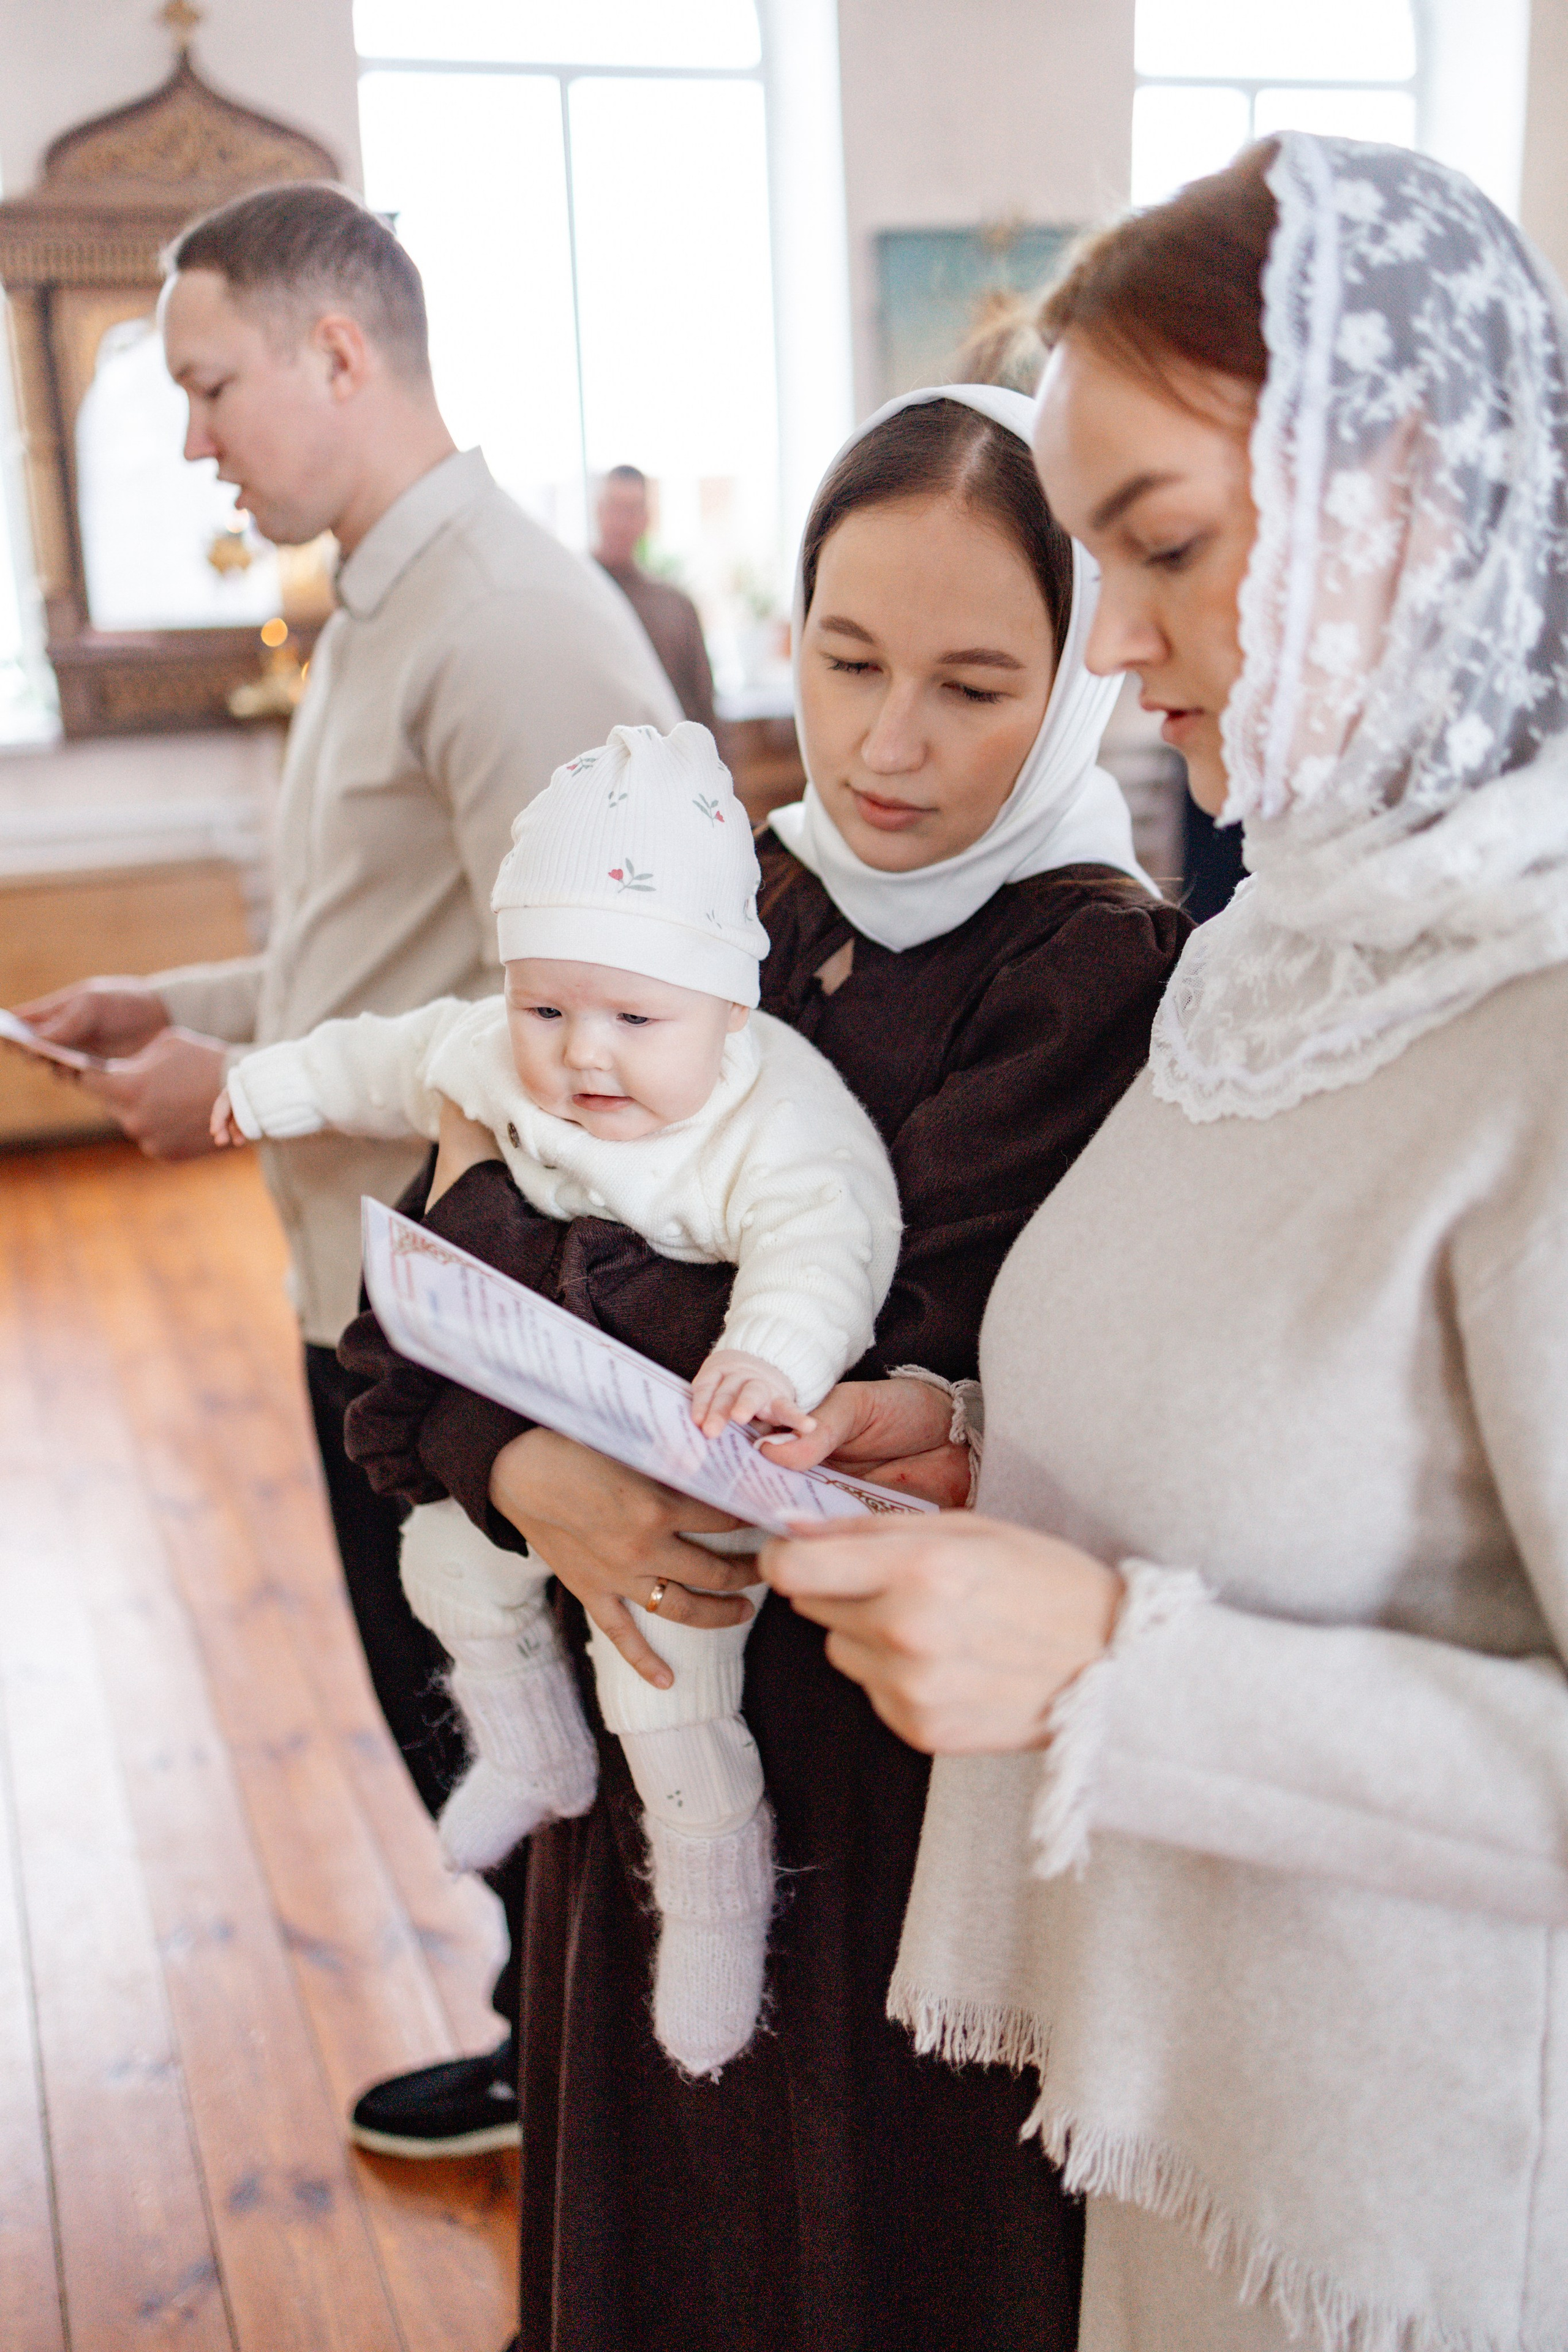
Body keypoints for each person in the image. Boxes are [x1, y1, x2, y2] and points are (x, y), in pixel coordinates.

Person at [764, 137, 1568, 2352]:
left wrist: (1116, 1670)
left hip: (1427, 2229)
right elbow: (1283, 1401)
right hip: (1191, 2123)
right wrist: (967, 1440)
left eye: (1163, 547)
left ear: (1406, 492)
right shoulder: (1270, 944)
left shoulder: (1541, 1030)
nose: (1108, 646)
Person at [360, 383, 1186, 2352]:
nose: (889, 742)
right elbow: (428, 1314)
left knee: (842, 2247)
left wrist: (500, 1219)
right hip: (635, 1677)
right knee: (646, 2209)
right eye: (845, 657)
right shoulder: (746, 881)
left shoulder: (1087, 970)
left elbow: (745, 1355)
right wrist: (520, 1466)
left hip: (882, 1767)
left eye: (978, 684)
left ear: (1080, 685)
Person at [19, 179, 680, 2160]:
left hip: (504, 1320)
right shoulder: (385, 598)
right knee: (451, 1717)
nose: (195, 435)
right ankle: (550, 2040)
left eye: (210, 384)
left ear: (340, 348)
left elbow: (624, 1019)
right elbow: (383, 959)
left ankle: (615, 2110)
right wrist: (197, 1004)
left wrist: (246, 1083)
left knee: (520, 1720)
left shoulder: (507, 622)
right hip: (382, 1296)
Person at [211, 717, 902, 2078]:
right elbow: (384, 1053)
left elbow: (832, 1229)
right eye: (546, 1009)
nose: (584, 1055)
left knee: (665, 1679)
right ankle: (528, 1749)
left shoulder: (774, 1115)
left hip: (673, 1454)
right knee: (437, 1563)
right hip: (524, 1406)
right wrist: (265, 1084)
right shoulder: (492, 1054)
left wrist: (772, 1349)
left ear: (728, 1009)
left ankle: (716, 1900)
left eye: (635, 1020)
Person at [593, 464, 720, 731]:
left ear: (646, 519)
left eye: (632, 510)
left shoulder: (676, 608)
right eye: (614, 507)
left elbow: (704, 709)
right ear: (599, 511)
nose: (621, 523)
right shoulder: (577, 596)